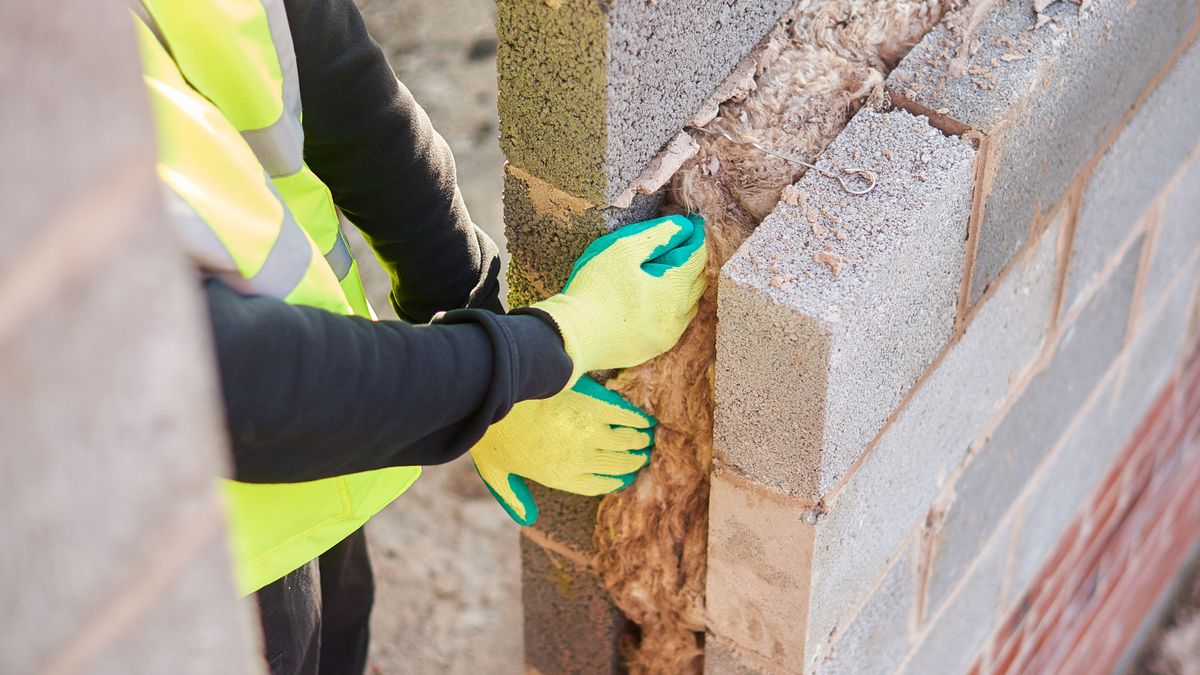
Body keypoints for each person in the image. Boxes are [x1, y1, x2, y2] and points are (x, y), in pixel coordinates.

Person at [130, 0, 707, 673]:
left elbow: (335, 81)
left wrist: (468, 305)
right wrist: (543, 347)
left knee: (338, 639)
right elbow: (234, 382)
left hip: (324, 462)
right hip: (173, 567)